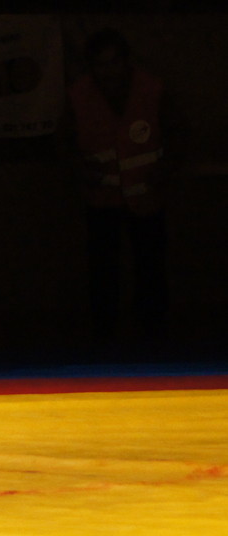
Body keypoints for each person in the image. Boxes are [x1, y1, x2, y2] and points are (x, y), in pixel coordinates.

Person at [65, 28, 177, 342]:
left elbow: (178, 133)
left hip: (146, 195)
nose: (109, 71)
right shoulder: (78, 96)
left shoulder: (152, 90)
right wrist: (81, 171)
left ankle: (154, 332)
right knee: (103, 269)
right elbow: (63, 144)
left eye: (114, 62)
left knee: (150, 266)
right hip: (102, 198)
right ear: (91, 66)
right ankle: (104, 334)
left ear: (126, 61)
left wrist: (164, 170)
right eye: (101, 64)